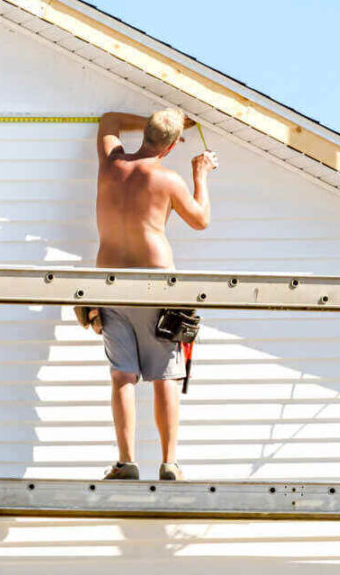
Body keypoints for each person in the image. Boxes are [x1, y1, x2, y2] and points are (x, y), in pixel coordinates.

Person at [74, 108, 217, 481]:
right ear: (170, 149)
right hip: (155, 282)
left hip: (111, 282)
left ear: (145, 133)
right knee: (164, 376)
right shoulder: (168, 179)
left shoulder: (111, 163)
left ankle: (126, 462)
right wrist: (200, 174)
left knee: (122, 376)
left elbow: (109, 120)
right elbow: (200, 219)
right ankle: (169, 463)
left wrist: (160, 123)